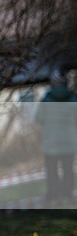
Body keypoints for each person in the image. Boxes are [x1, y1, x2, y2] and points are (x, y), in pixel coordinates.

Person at [35, 69, 77, 206]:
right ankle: (67, 195)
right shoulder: (73, 98)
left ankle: (53, 196)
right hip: (69, 141)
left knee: (52, 171)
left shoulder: (46, 100)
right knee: (68, 169)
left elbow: (38, 118)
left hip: (51, 142)